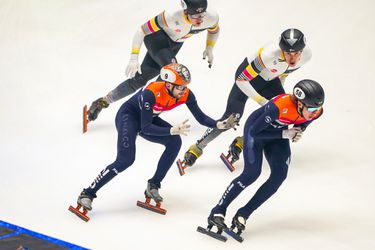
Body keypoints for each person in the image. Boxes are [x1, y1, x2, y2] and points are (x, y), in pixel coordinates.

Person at [70, 63, 238, 220]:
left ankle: (153, 185)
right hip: (129, 118)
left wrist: (218, 124)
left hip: (149, 119)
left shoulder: (185, 94)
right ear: (168, 84)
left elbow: (200, 117)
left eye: (185, 86)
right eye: (180, 87)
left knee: (175, 142)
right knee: (125, 160)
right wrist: (171, 130)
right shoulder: (151, 93)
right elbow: (146, 128)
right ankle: (88, 193)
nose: (183, 91)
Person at [200, 79, 324, 241]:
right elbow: (253, 133)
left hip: (278, 134)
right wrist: (284, 134)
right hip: (256, 132)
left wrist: (300, 130)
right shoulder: (278, 108)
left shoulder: (316, 112)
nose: (315, 112)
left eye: (318, 109)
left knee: (279, 176)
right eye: (312, 109)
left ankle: (243, 214)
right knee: (252, 173)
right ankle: (218, 210)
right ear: (299, 104)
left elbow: (305, 121)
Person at [182, 28, 312, 168]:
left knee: (279, 116)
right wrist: (262, 101)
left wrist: (279, 91)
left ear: (302, 50)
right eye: (287, 54)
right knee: (231, 118)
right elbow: (241, 80)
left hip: (270, 80)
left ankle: (243, 141)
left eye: (296, 53)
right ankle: (197, 147)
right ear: (281, 50)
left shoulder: (307, 55)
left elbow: (285, 71)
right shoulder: (269, 55)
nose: (292, 58)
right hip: (248, 79)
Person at [86, 0, 220, 123]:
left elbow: (214, 30)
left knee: (139, 80)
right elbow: (142, 30)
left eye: (203, 15)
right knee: (173, 74)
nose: (200, 20)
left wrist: (209, 47)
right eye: (196, 16)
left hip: (174, 44)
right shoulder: (171, 16)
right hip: (157, 39)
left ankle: (103, 102)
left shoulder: (211, 17)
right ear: (185, 11)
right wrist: (134, 57)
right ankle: (148, 111)